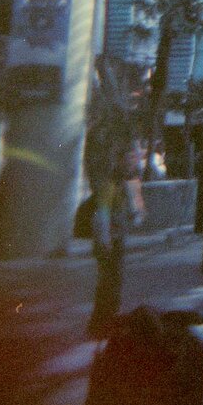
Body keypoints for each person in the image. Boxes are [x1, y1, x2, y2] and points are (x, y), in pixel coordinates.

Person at [85, 135, 145, 338]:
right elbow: (101, 215)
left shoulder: (123, 182)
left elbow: (133, 212)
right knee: (108, 285)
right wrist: (105, 241)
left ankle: (104, 323)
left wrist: (135, 210)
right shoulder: (110, 182)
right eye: (129, 158)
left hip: (115, 239)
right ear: (119, 160)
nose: (132, 163)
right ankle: (100, 326)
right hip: (108, 241)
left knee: (112, 284)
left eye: (134, 158)